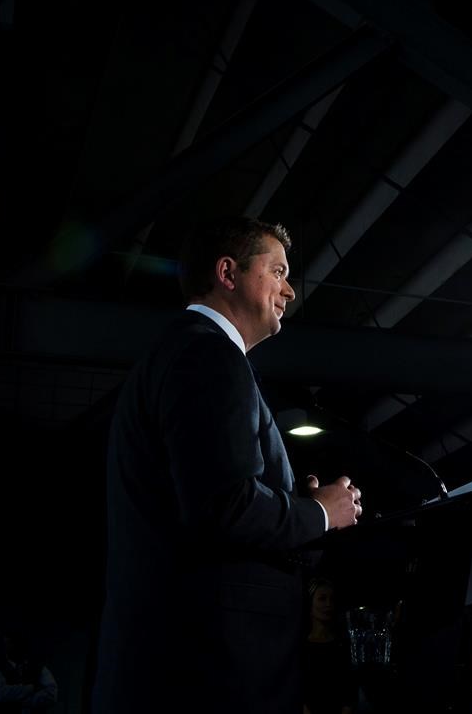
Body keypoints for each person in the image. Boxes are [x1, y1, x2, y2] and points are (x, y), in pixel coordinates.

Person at [92, 217, 363, 714]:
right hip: (209, 669)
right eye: (277, 271)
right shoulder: (208, 355)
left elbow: (209, 500)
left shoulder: (184, 352)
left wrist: (292, 509)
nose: (289, 291)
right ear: (227, 272)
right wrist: (321, 513)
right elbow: (225, 504)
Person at [302, 579, 358, 714]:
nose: (328, 604)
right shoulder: (300, 646)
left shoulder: (343, 644)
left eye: (332, 600)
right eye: (322, 599)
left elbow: (350, 689)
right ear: (309, 604)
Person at [0, 629, 58, 713]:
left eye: (15, 642)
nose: (12, 646)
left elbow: (52, 695)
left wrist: (21, 701)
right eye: (9, 643)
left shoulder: (39, 668)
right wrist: (32, 688)